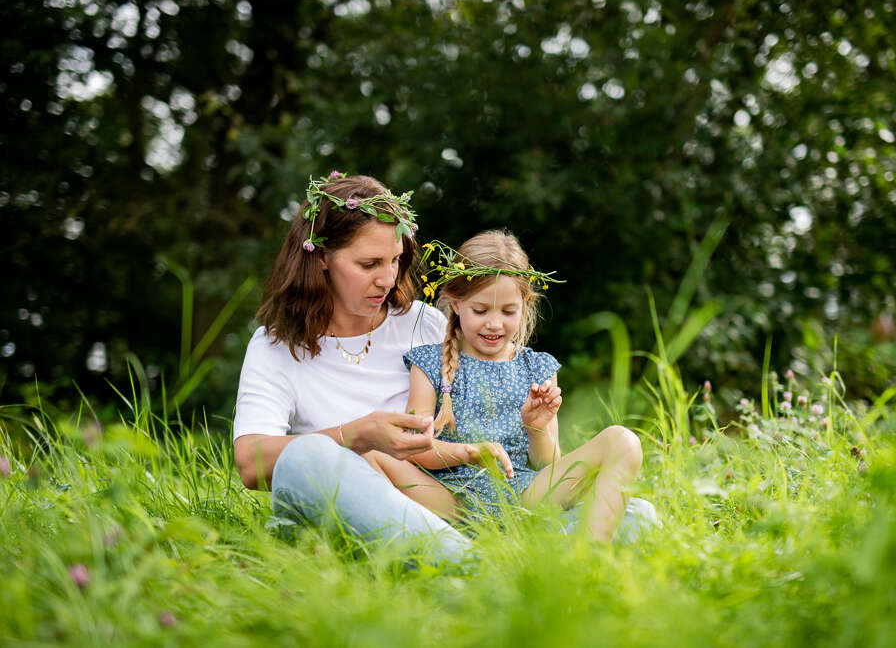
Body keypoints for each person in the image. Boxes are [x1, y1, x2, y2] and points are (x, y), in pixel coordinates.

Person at [232, 171, 472, 562]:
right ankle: (466, 562)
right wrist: (358, 435)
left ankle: (459, 557)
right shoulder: (275, 346)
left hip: (439, 501)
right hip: (341, 515)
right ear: (322, 257)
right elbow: (250, 462)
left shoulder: (423, 323)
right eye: (369, 264)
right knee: (304, 459)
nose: (387, 279)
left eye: (395, 261)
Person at [368, 230, 658, 542]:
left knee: (622, 440)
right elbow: (416, 449)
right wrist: (469, 452)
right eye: (481, 310)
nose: (495, 323)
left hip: (523, 496)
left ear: (525, 304)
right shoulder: (428, 363)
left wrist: (536, 427)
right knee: (371, 453)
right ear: (455, 303)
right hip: (452, 501)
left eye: (508, 312)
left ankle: (586, 558)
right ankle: (456, 541)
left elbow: (547, 464)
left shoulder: (538, 367)